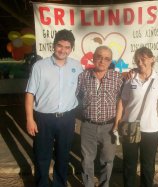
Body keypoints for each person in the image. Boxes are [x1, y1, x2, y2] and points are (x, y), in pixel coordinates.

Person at [25, 29, 83, 187]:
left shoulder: (77, 67)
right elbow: (30, 93)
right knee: (42, 156)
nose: (63, 50)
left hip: (67, 118)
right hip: (44, 119)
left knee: (63, 155)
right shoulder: (39, 66)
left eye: (67, 47)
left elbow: (88, 85)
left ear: (71, 48)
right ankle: (42, 184)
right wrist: (30, 119)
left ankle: (59, 184)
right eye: (60, 46)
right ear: (53, 45)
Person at [114, 47, 158, 187]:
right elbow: (122, 101)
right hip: (130, 126)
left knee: (148, 165)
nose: (140, 62)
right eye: (137, 59)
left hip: (151, 128)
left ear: (152, 59)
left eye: (144, 59)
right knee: (129, 164)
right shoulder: (130, 78)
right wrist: (117, 123)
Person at [76, 45, 124, 187]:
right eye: (99, 57)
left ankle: (105, 184)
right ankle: (88, 184)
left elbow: (123, 99)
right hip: (88, 125)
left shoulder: (118, 78)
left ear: (110, 62)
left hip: (109, 127)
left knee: (108, 160)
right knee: (87, 159)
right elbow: (76, 97)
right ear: (93, 58)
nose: (102, 61)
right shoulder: (83, 76)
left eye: (107, 59)